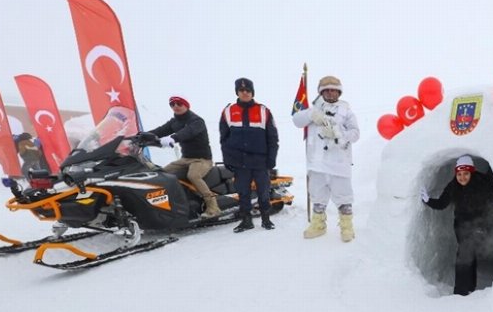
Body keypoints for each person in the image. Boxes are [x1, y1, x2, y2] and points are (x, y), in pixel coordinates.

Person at [291, 75, 360, 242]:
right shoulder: (313, 109)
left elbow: (355, 133)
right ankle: (318, 225)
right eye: (326, 90)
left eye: (333, 90)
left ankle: (346, 227)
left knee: (343, 196)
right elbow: (296, 120)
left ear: (339, 92)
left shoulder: (346, 111)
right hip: (317, 164)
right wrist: (311, 115)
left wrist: (338, 134)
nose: (330, 93)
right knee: (317, 195)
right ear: (321, 92)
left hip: (339, 163)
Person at [420, 155, 493, 296]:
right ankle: (469, 287)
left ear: (472, 172)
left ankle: (461, 291)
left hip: (478, 226)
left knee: (464, 256)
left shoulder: (482, 183)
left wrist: (484, 225)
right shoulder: (453, 185)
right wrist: (428, 200)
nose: (462, 177)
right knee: (468, 255)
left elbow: (492, 199)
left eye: (466, 174)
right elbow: (442, 203)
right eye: (459, 174)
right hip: (461, 226)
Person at [220, 77, 279, 233]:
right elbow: (223, 139)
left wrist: (271, 159)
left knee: (263, 191)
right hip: (240, 162)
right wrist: (227, 159)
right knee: (243, 192)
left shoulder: (263, 111)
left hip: (260, 161)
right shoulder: (228, 111)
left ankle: (266, 219)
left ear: (252, 93)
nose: (245, 93)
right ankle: (246, 221)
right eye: (241, 90)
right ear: (237, 92)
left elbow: (273, 138)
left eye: (248, 90)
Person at [148, 95, 221, 218]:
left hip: (202, 159)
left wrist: (173, 138)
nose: (176, 106)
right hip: (185, 159)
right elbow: (160, 130)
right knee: (162, 174)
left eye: (179, 103)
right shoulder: (175, 121)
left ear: (186, 105)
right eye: (172, 104)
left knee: (193, 175)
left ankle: (213, 206)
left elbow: (188, 132)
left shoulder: (197, 121)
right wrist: (140, 136)